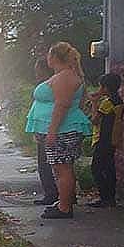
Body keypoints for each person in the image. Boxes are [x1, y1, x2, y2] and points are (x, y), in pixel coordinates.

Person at [25, 42, 91, 219]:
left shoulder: (65, 77)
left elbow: (62, 105)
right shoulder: (64, 75)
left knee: (63, 169)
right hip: (61, 129)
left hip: (63, 130)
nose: (46, 58)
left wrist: (52, 131)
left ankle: (64, 207)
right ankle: (64, 201)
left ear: (54, 57)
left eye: (48, 54)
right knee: (61, 168)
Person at [87, 73, 123, 208]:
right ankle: (110, 198)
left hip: (103, 140)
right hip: (112, 140)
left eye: (101, 86)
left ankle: (105, 197)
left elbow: (95, 120)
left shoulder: (108, 103)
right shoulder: (118, 100)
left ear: (106, 87)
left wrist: (94, 103)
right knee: (109, 168)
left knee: (96, 169)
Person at [32, 57, 59, 206]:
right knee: (54, 164)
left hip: (47, 128)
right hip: (45, 127)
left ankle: (52, 193)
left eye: (38, 70)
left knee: (46, 163)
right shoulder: (52, 84)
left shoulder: (49, 86)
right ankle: (58, 194)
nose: (36, 73)